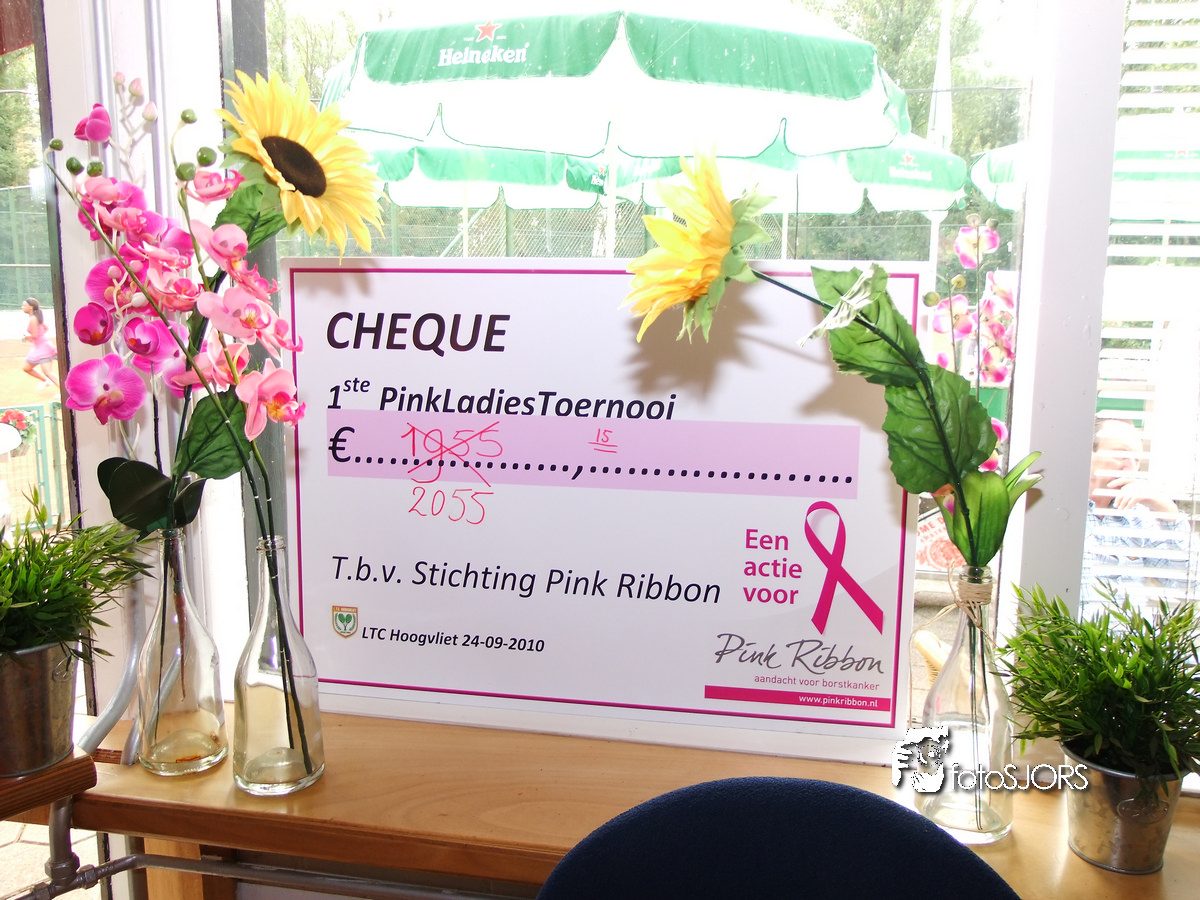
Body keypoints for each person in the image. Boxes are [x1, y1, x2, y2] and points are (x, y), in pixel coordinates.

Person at [1080, 420, 1190, 616]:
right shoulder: (1064, 513)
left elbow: (1189, 584)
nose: (1129, 466)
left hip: (1131, 634)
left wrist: (1167, 510)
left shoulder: (1137, 518)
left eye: (1137, 460)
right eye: (1121, 455)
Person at [21, 297, 60, 390]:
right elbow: (45, 328)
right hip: (41, 346)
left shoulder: (33, 319)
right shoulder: (35, 317)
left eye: (24, 305)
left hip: (43, 348)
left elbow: (34, 335)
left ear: (30, 307)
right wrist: (39, 336)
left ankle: (65, 392)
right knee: (26, 368)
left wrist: (26, 337)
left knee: (48, 373)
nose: (22, 307)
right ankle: (46, 381)